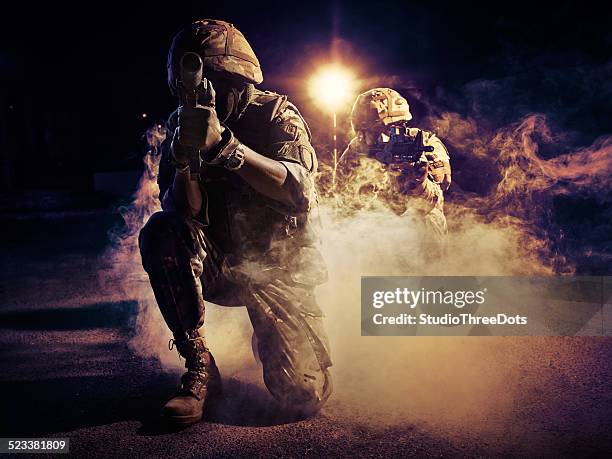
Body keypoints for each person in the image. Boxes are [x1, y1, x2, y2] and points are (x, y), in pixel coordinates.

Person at [138, 19, 332, 426]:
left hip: (277, 269)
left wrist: (226, 148)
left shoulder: (275, 113)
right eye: (198, 84)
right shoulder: (181, 122)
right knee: (161, 230)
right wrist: (188, 161)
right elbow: (183, 216)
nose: (209, 93)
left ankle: (272, 337)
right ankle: (199, 367)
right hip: (221, 265)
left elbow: (298, 191)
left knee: (302, 396)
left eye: (220, 82)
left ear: (242, 81)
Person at [338, 88, 452, 251]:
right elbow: (340, 203)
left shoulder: (423, 144)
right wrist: (365, 192)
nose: (386, 137)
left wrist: (418, 181)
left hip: (422, 240)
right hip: (376, 239)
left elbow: (434, 197)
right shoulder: (356, 150)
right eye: (376, 131)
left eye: (395, 128)